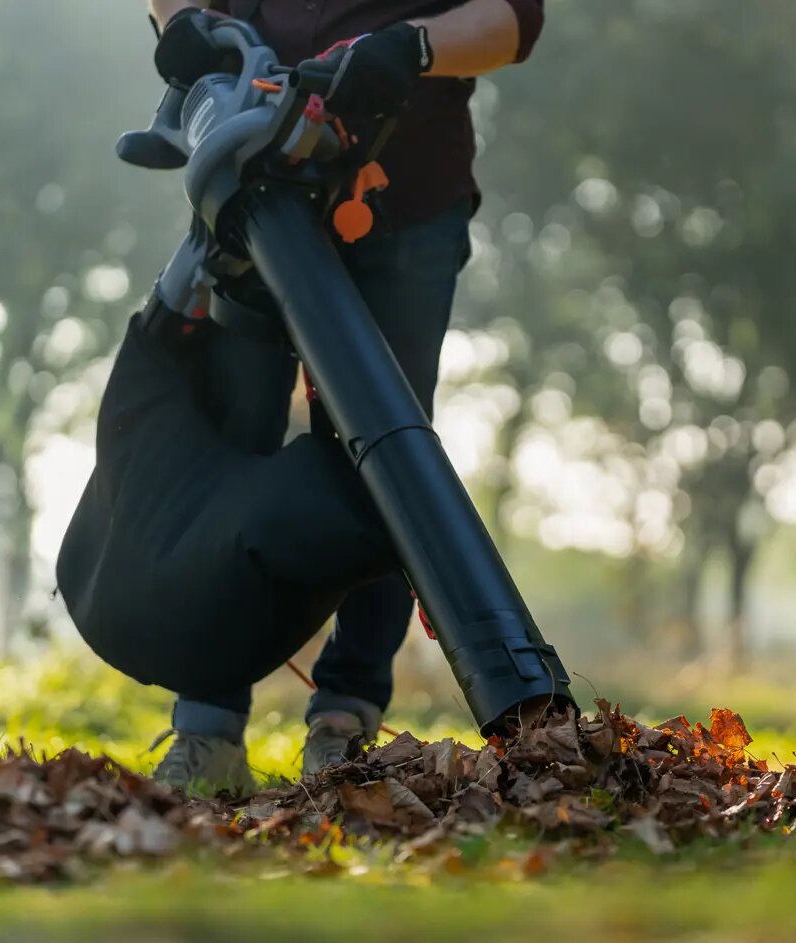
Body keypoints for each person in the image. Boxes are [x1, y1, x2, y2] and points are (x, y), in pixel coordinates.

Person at [135, 0, 547, 795]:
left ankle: (344, 720)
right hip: (251, 174)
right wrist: (183, 19)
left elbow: (511, 18)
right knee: (231, 437)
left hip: (405, 199)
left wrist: (413, 45)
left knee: (383, 456)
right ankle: (207, 725)